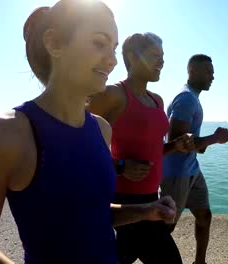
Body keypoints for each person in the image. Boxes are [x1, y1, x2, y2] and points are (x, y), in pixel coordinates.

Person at [0, 1, 176, 263]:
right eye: (99, 43)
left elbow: (91, 214)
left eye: (114, 48)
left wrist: (146, 210)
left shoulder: (101, 129)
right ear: (55, 43)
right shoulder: (11, 133)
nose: (113, 60)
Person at [87, 32, 193, 264]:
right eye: (155, 55)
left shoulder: (157, 100)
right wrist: (120, 166)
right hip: (121, 204)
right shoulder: (113, 95)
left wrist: (175, 146)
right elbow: (78, 147)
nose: (162, 62)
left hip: (150, 201)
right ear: (132, 58)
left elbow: (153, 151)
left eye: (163, 56)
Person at [161, 54, 228, 264]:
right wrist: (215, 138)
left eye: (213, 72)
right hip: (176, 175)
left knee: (204, 216)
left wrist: (207, 142)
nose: (213, 77)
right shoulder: (186, 99)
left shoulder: (192, 98)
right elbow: (177, 142)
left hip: (191, 170)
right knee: (165, 227)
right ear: (193, 71)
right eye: (209, 71)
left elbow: (193, 145)